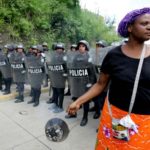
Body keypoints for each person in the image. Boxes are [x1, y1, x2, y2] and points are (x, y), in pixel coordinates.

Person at [67, 7, 150, 149]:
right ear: (130, 27)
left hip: (143, 121)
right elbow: (100, 84)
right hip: (114, 115)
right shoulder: (113, 55)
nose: (149, 27)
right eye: (144, 23)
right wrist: (78, 102)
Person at [66, 40, 97, 126]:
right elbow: (72, 68)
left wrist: (91, 83)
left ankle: (85, 117)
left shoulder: (89, 57)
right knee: (75, 99)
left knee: (85, 101)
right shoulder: (75, 57)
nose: (81, 48)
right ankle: (73, 113)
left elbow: (92, 72)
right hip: (77, 82)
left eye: (83, 46)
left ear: (86, 47)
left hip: (86, 83)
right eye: (79, 46)